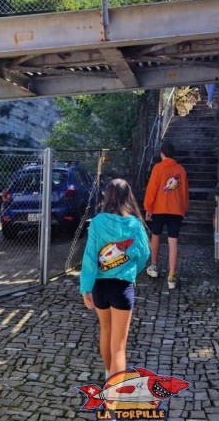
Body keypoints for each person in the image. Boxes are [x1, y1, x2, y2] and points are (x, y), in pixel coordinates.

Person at [80, 178, 150, 379]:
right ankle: (115, 394)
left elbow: (90, 258)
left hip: (99, 287)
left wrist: (86, 288)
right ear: (128, 196)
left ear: (107, 196)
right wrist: (130, 270)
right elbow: (144, 254)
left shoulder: (98, 222)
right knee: (119, 346)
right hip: (122, 287)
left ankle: (108, 373)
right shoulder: (135, 224)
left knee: (105, 332)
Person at [143, 142, 189, 290]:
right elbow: (184, 191)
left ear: (162, 154)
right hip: (176, 210)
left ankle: (154, 267)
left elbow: (152, 189)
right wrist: (184, 208)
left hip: (159, 208)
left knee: (155, 236)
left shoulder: (158, 168)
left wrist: (148, 207)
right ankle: (172, 276)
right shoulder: (180, 170)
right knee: (173, 242)